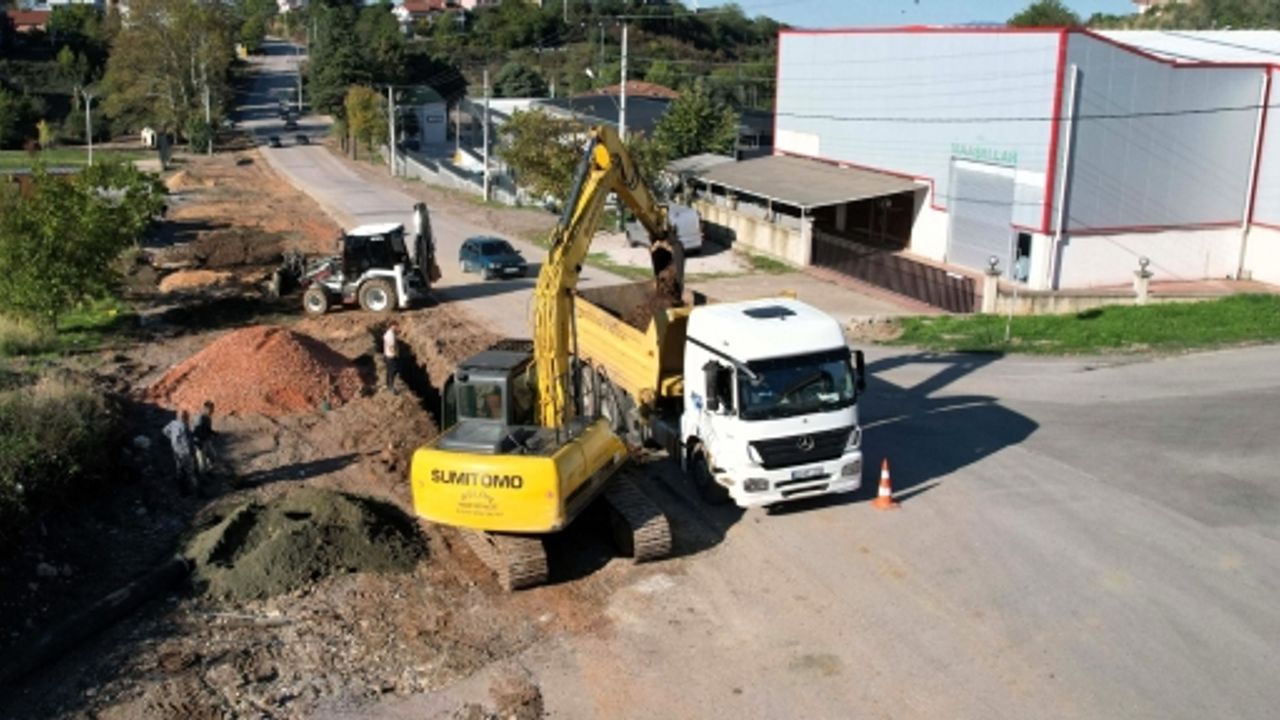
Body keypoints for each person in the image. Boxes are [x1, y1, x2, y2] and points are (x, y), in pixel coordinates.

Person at [162, 410, 197, 495]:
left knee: (180, 470)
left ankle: (182, 491)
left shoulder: (173, 423)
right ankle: (195, 491)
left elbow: (164, 431)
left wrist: (172, 439)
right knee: (190, 471)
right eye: (187, 417)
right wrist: (191, 452)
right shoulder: (183, 426)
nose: (188, 418)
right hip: (184, 452)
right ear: (185, 417)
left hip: (176, 451)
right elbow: (186, 442)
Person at [191, 400, 216, 477]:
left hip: (207, 441)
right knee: (202, 463)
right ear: (206, 409)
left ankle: (208, 472)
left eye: (213, 409)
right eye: (211, 409)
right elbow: (194, 432)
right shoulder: (199, 418)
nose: (213, 411)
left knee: (213, 457)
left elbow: (207, 429)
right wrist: (197, 443)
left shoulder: (208, 418)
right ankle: (202, 479)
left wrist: (213, 433)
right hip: (200, 443)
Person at [383, 321, 400, 395]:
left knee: (389, 371)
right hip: (390, 356)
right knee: (392, 371)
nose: (397, 328)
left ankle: (388, 385)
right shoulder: (390, 335)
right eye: (397, 326)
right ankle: (391, 387)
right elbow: (391, 347)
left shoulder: (389, 333)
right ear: (393, 326)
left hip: (388, 356)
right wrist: (395, 354)